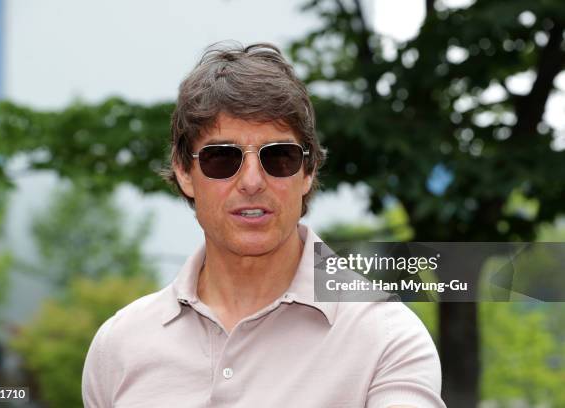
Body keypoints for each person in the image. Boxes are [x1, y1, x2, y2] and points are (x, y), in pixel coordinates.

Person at [82, 42, 446, 408]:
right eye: (222, 158)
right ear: (184, 171)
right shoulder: (119, 346)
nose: (252, 181)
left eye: (279, 156)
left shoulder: (387, 340)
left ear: (308, 171)